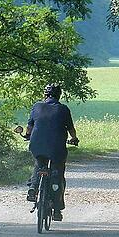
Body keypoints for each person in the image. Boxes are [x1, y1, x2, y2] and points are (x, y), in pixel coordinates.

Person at [24, 83, 78, 221]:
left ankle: (33, 188)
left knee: (38, 164)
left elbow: (29, 127)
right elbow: (71, 128)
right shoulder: (63, 109)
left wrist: (27, 135)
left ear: (45, 95)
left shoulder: (37, 107)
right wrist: (74, 138)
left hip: (37, 145)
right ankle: (57, 210)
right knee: (57, 173)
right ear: (59, 95)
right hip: (57, 148)